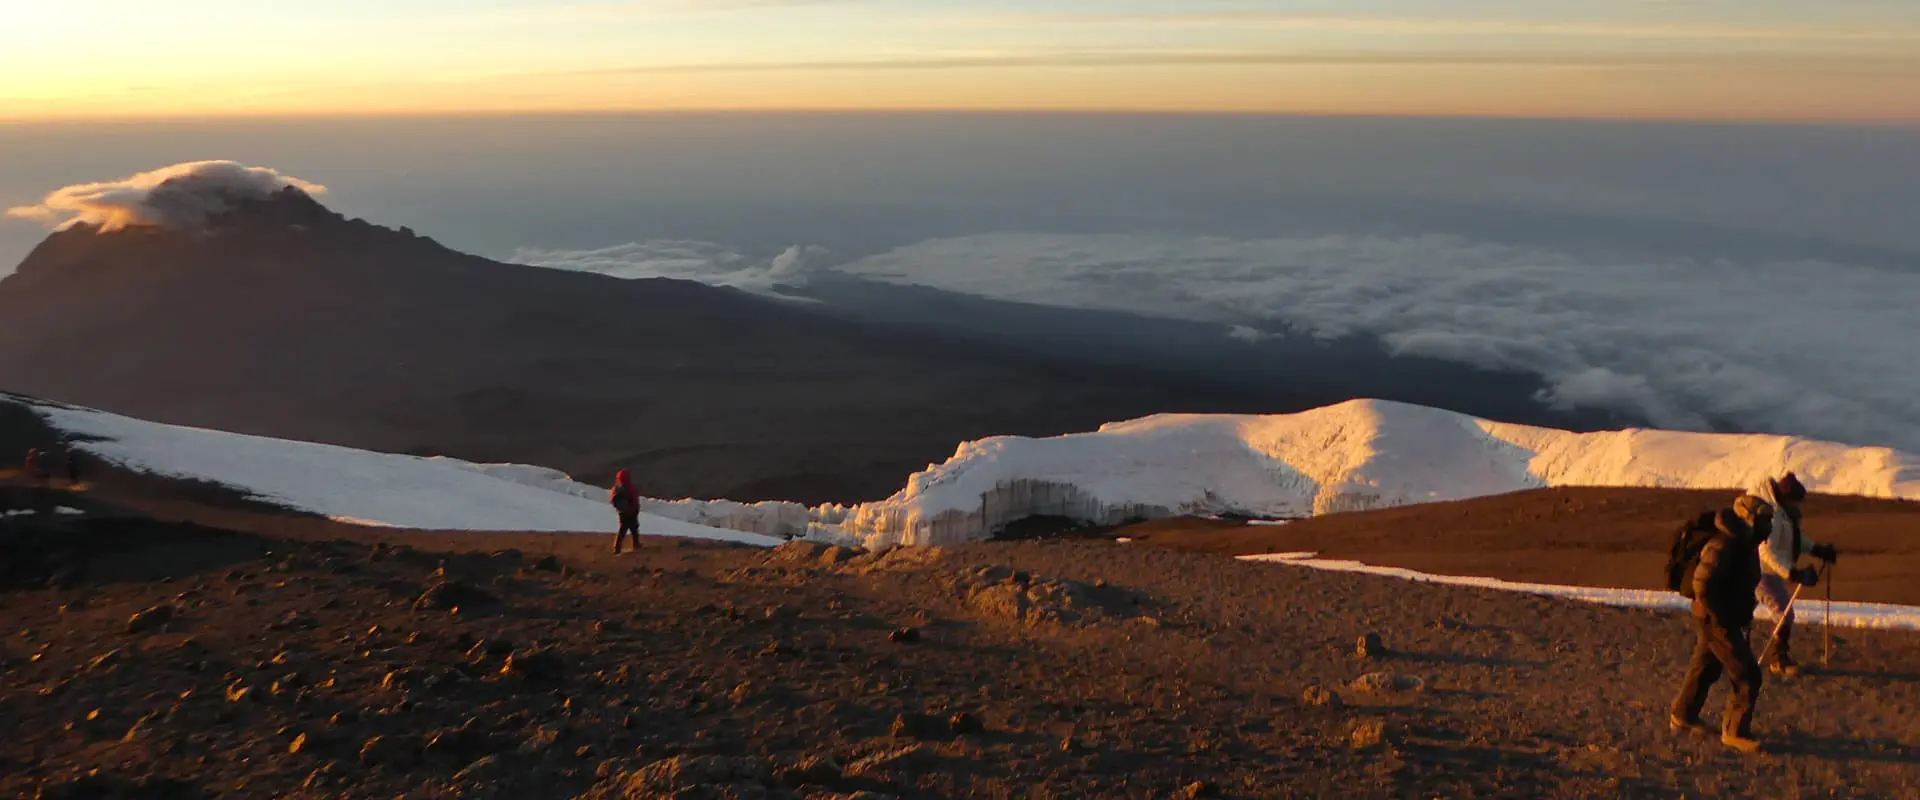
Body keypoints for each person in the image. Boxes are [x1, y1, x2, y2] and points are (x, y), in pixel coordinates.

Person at [1670, 504, 1767, 753]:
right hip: (1718, 619)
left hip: (1721, 617)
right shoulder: (1725, 544)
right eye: (1766, 520)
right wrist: (1721, 617)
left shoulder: (1744, 543)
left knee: (1706, 665)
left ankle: (1683, 715)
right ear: (1750, 519)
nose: (1770, 526)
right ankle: (1735, 731)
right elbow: (1702, 583)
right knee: (1747, 674)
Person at [1743, 472, 1837, 677]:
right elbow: (1765, 552)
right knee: (1784, 613)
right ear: (1788, 498)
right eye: (1798, 502)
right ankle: (1778, 659)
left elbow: (1795, 539)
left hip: (1769, 573)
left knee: (1758, 613)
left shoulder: (1784, 516)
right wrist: (1793, 573)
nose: (1800, 507)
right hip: (1761, 572)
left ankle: (1753, 655)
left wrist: (1817, 550)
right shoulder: (1775, 518)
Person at [610, 469, 641, 554]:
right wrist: (636, 509)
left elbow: (613, 500)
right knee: (634, 529)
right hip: (632, 512)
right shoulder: (631, 488)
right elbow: (635, 500)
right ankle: (636, 545)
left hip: (622, 513)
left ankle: (617, 547)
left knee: (622, 530)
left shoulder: (616, 488)